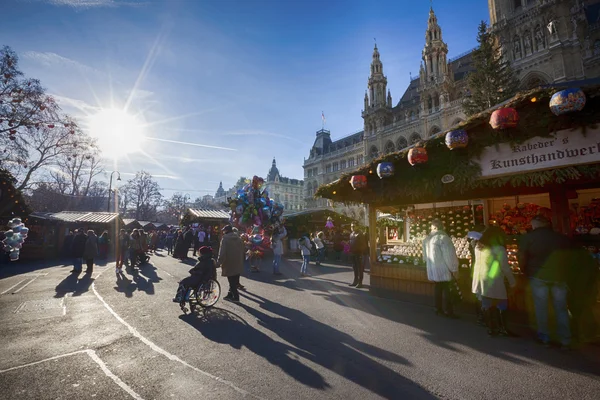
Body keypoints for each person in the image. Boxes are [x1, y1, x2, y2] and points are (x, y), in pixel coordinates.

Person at [519, 215, 572, 348]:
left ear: (534, 225)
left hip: (538, 276)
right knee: (561, 308)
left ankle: (544, 336)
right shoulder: (559, 237)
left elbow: (522, 256)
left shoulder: (529, 238)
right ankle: (565, 338)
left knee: (540, 307)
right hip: (558, 276)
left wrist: (523, 270)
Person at [472, 226, 516, 336]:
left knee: (486, 303)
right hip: (494, 279)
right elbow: (505, 268)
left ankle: (491, 328)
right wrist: (512, 282)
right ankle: (503, 328)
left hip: (481, 278)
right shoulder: (499, 249)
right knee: (502, 302)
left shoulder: (478, 247)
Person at [423, 219, 459, 318]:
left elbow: (425, 257)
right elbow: (449, 256)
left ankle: (437, 308)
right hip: (444, 269)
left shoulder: (427, 239)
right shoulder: (443, 238)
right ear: (441, 227)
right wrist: (454, 268)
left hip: (433, 269)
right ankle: (448, 311)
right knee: (448, 289)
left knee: (438, 288)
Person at [217, 225, 245, 303]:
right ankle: (230, 295)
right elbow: (242, 249)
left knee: (231, 281)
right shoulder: (238, 238)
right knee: (235, 279)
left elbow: (222, 252)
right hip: (238, 262)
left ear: (226, 231)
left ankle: (236, 297)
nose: (223, 232)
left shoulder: (225, 239)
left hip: (229, 262)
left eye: (224, 230)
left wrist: (219, 262)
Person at [348, 223, 367, 288]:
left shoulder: (360, 234)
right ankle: (355, 281)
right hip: (352, 253)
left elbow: (363, 244)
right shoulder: (351, 234)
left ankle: (360, 282)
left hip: (358, 253)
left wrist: (361, 252)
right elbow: (351, 243)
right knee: (355, 268)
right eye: (351, 226)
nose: (352, 227)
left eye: (353, 226)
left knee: (359, 268)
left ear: (357, 226)